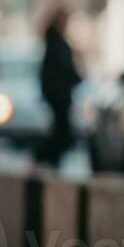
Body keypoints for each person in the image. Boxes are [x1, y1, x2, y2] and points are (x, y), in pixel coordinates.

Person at [39, 10, 83, 166]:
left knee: (60, 130)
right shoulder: (55, 42)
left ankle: (49, 159)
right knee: (61, 131)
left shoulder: (54, 41)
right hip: (59, 93)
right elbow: (62, 68)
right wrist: (76, 78)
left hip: (59, 92)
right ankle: (43, 157)